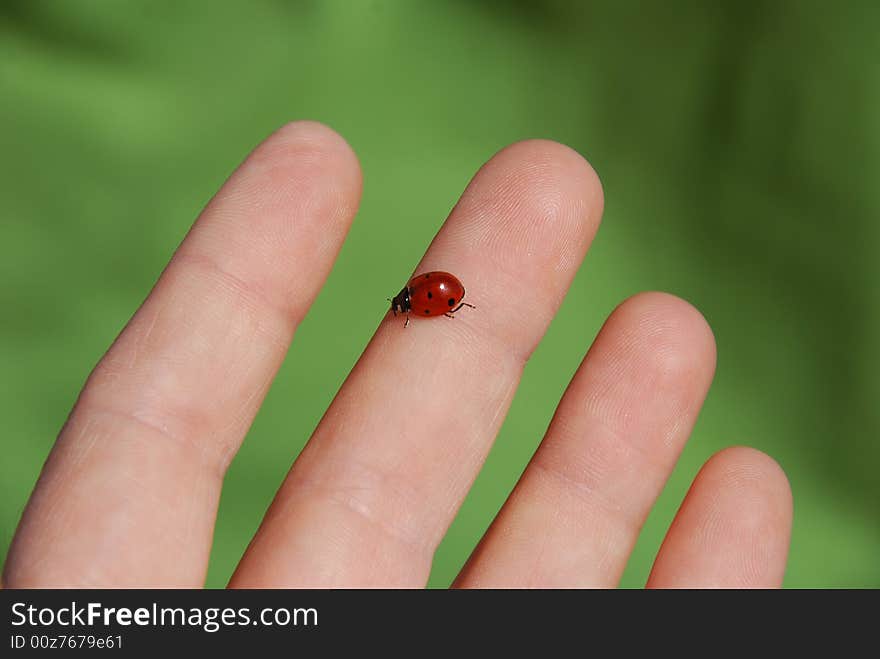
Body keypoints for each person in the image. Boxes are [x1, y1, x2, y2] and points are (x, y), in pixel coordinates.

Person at [2, 122, 792, 588]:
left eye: (418, 305)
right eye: (419, 304)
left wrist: (434, 301)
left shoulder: (431, 297)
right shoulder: (425, 297)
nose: (417, 307)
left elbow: (441, 293)